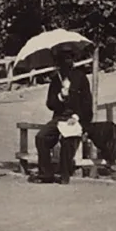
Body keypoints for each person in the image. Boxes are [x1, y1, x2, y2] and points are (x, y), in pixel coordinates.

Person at [31, 45, 93, 184]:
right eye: (63, 60)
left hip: (76, 118)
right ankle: (46, 174)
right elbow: (50, 104)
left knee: (67, 140)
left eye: (69, 58)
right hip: (60, 118)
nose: (66, 62)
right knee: (41, 137)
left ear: (73, 60)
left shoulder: (80, 78)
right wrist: (60, 96)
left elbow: (87, 103)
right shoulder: (56, 80)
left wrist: (77, 117)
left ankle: (65, 174)